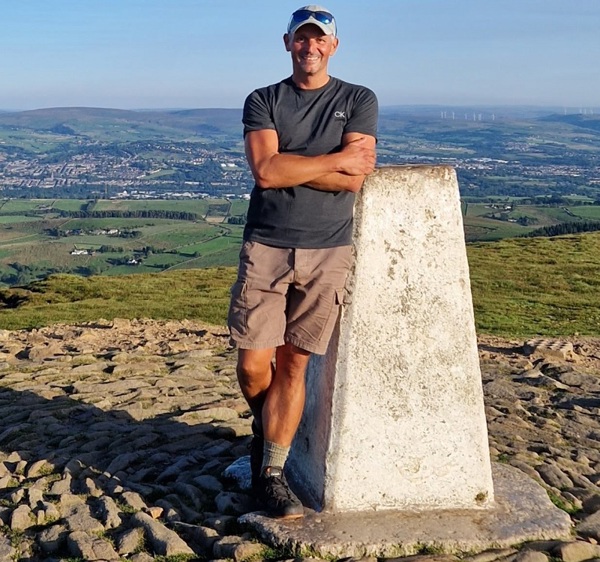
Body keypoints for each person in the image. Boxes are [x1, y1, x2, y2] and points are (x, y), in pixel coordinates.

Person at [228, 4, 378, 519]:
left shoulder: (358, 99)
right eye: (301, 38)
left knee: (294, 364)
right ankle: (265, 425)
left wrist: (297, 164)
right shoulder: (263, 99)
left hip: (327, 249)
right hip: (267, 245)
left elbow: (356, 181)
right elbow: (267, 172)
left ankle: (270, 471)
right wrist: (334, 159)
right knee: (253, 367)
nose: (309, 46)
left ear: (333, 45)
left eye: (319, 39)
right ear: (287, 43)